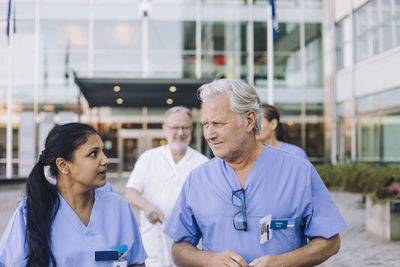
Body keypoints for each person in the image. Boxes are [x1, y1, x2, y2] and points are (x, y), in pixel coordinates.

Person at [164, 79, 347, 267]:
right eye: (205, 124)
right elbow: (179, 249)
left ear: (249, 120)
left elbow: (331, 242)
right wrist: (209, 260)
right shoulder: (198, 179)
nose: (209, 134)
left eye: (218, 123)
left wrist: (283, 262)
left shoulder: (298, 171)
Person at [0, 123, 147, 267]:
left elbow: (135, 262)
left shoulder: (118, 207)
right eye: (93, 154)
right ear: (63, 165)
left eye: (103, 151)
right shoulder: (31, 209)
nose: (105, 160)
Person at [125, 106, 208, 267]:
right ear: (165, 129)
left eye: (185, 127)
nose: (180, 133)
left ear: (191, 129)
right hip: (153, 246)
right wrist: (146, 206)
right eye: (175, 127)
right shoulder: (149, 158)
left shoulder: (202, 163)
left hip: (190, 249)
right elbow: (130, 192)